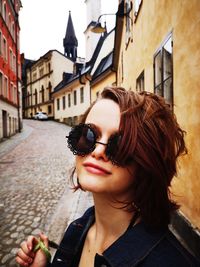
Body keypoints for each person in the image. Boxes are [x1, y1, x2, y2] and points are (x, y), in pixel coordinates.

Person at [16, 86, 199, 267]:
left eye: (119, 145)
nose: (98, 151)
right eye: (89, 135)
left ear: (147, 162)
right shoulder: (77, 229)